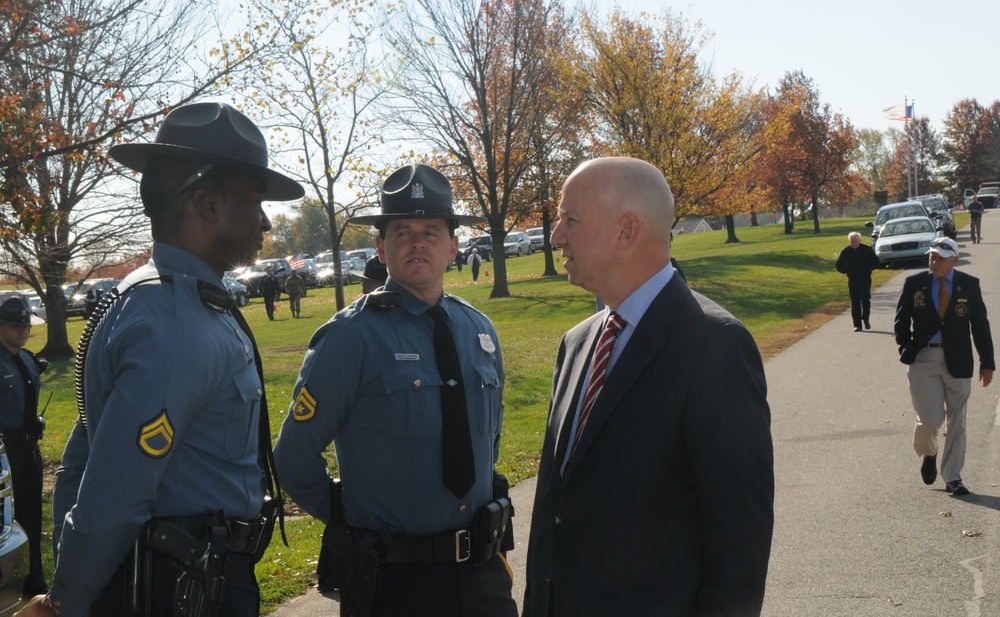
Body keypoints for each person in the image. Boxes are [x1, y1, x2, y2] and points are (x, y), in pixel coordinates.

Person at [18, 102, 304, 617]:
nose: (265, 221)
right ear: (207, 204)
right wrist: (66, 604)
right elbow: (113, 495)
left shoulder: (172, 302)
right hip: (180, 592)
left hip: (191, 581)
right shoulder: (173, 321)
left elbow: (83, 460)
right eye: (256, 201)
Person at [522, 157, 774, 617]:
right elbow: (554, 513)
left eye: (570, 219)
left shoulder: (714, 345)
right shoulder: (577, 343)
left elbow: (739, 544)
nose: (556, 236)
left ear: (625, 231)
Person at [273, 164, 516, 617]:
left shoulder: (478, 329)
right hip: (395, 582)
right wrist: (352, 519)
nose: (418, 242)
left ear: (454, 247)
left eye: (431, 231)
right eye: (402, 232)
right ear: (381, 248)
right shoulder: (350, 337)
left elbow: (490, 439)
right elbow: (292, 457)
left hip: (483, 577)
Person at [894, 236, 994, 496]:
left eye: (940, 258)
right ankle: (929, 452)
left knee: (957, 422)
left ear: (954, 260)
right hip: (923, 361)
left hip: (958, 361)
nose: (934, 261)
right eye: (931, 256)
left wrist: (987, 362)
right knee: (931, 419)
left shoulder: (969, 285)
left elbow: (980, 325)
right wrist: (905, 347)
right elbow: (901, 321)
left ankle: (953, 477)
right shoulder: (914, 283)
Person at [0, 297, 48, 597]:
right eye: (16, 325)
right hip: (4, 453)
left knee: (31, 517)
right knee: (6, 523)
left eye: (26, 325)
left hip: (30, 451)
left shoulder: (27, 359)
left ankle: (34, 583)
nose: (23, 331)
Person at [836, 231, 881, 331]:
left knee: (865, 300)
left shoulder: (866, 250)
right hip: (853, 279)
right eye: (852, 241)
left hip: (865, 278)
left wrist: (868, 269)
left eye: (856, 241)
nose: (854, 243)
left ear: (859, 240)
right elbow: (838, 265)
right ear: (850, 241)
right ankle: (857, 325)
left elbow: (876, 262)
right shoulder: (846, 251)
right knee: (855, 302)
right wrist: (847, 271)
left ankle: (866, 319)